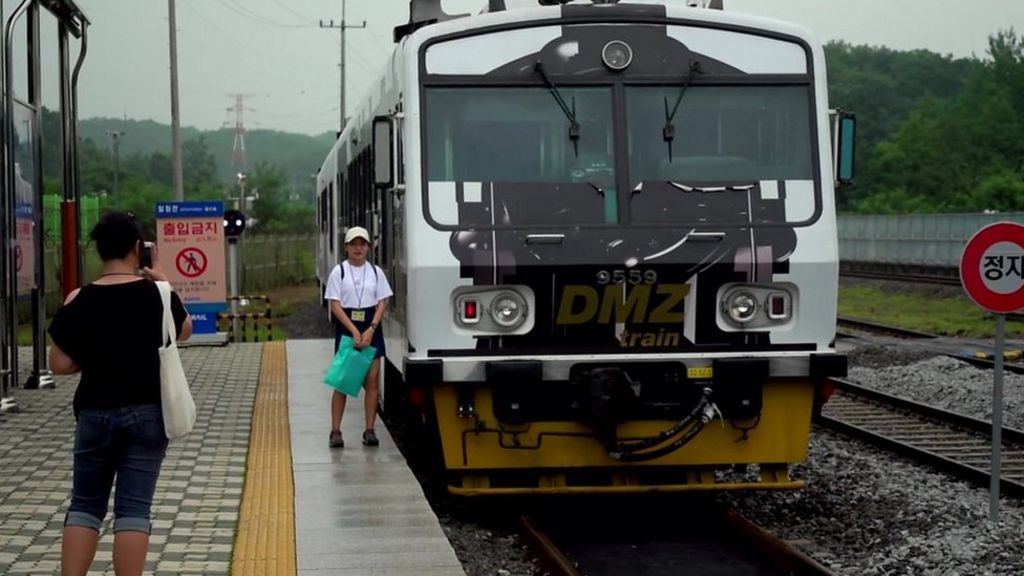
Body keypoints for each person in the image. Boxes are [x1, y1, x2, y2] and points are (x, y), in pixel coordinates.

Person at [48, 212, 192, 576]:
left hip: (95, 413)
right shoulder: (157, 294)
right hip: (147, 416)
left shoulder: (79, 298)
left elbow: (59, 364)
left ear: (99, 250)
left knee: (84, 505)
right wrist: (164, 281)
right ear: (136, 250)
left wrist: (97, 357)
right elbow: (185, 331)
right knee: (133, 509)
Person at [324, 226, 394, 448]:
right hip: (348, 325)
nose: (358, 248)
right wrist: (353, 331)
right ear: (346, 247)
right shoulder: (339, 272)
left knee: (372, 381)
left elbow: (383, 301)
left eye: (362, 244)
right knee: (343, 381)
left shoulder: (376, 272)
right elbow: (334, 304)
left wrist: (372, 327)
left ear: (368, 248)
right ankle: (335, 430)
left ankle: (370, 429)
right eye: (353, 244)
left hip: (371, 325)